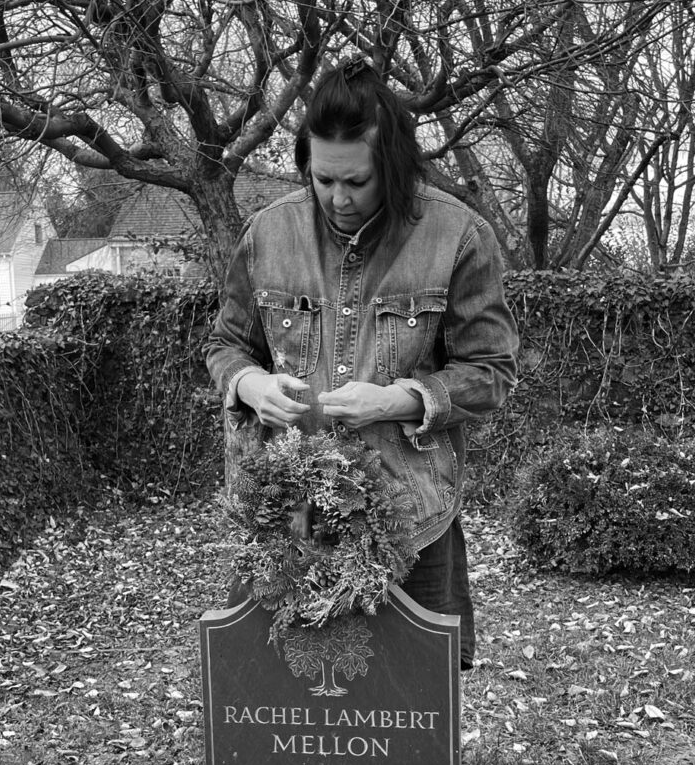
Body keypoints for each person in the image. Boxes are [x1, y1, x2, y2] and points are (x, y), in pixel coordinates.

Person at [205, 59, 518, 669]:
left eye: (357, 181)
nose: (338, 199)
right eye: (323, 180)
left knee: (413, 705)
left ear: (394, 167)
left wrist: (401, 399)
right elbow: (226, 345)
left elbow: (492, 372)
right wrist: (250, 383)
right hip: (284, 521)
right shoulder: (268, 235)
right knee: (280, 697)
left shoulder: (458, 237)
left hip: (410, 516)